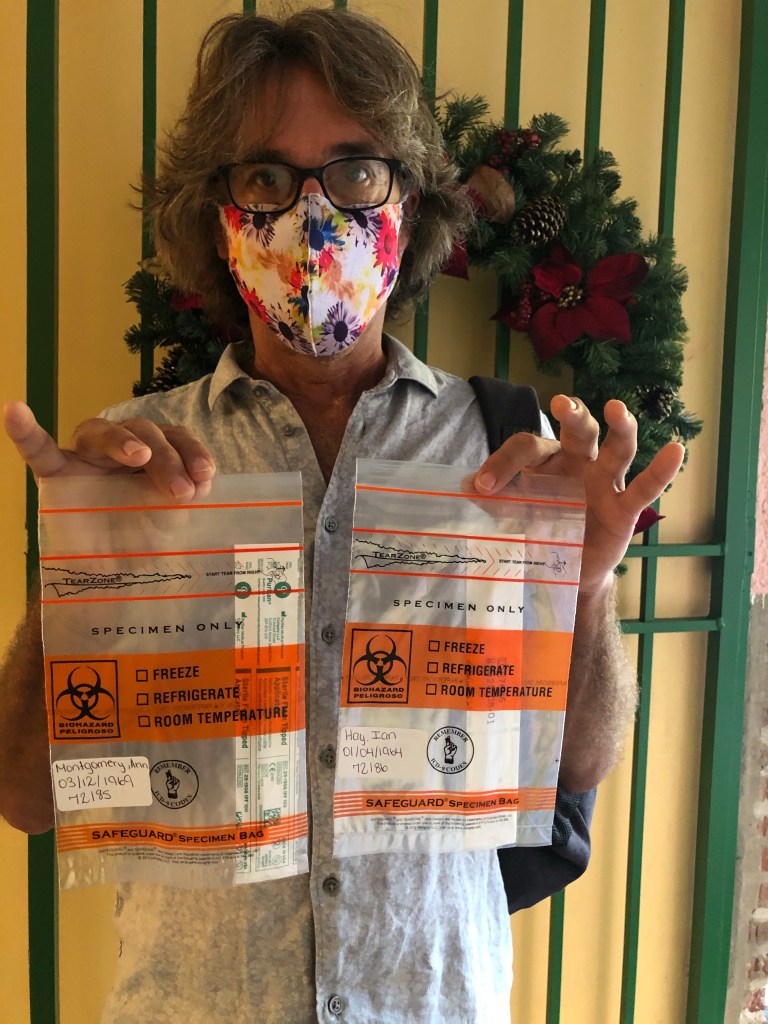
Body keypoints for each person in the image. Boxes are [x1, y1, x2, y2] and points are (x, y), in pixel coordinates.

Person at [0, 9, 684, 1023]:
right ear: (218, 214)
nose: (313, 217)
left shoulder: (507, 448)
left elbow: (577, 764)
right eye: (267, 177)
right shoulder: (139, 460)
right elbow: (26, 796)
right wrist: (77, 575)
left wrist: (585, 587)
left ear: (410, 202)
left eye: (356, 172)